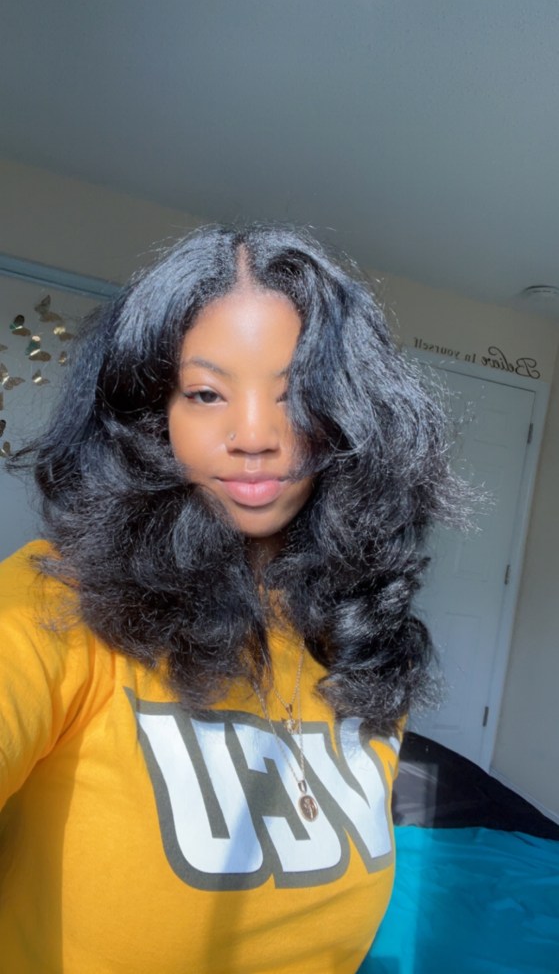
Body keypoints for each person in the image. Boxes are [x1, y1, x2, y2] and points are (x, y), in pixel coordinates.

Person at [0, 224, 463, 973]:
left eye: (298, 396)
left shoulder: (359, 638)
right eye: (207, 393)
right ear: (155, 414)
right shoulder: (58, 599)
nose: (254, 435)